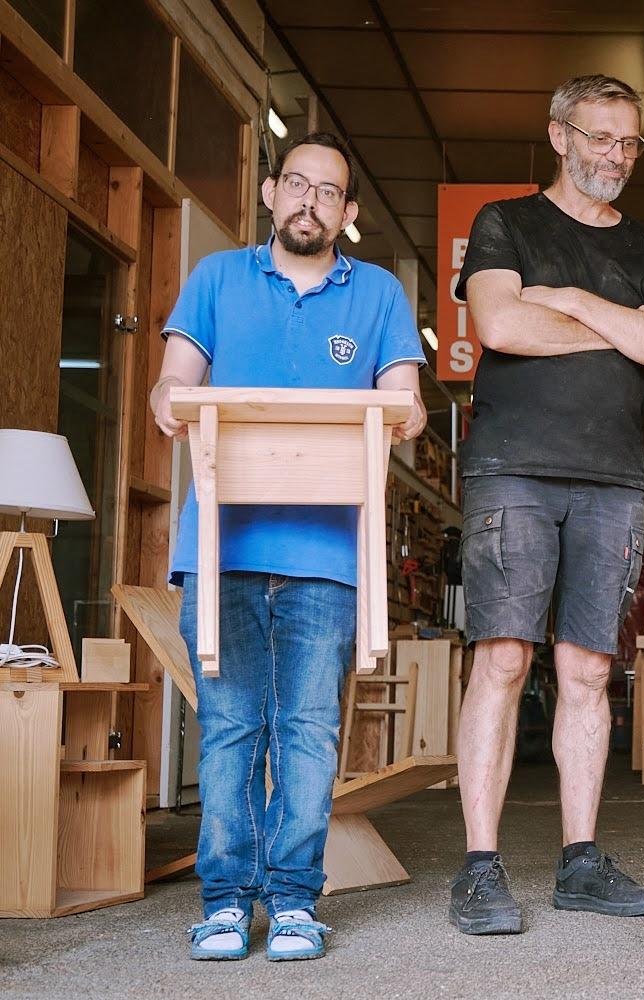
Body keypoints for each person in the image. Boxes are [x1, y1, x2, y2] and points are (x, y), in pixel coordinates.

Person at [150, 131, 427, 961]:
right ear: (272, 194)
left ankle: (296, 900)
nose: (310, 200)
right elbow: (174, 383)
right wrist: (170, 398)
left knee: (308, 730)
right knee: (232, 729)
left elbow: (404, 403)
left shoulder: (376, 295)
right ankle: (228, 900)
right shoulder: (217, 280)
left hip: (329, 557)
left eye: (328, 191)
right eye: (296, 184)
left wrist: (405, 412)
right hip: (224, 549)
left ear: (347, 212)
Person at [447, 74, 644, 935]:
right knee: (505, 659)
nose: (616, 157)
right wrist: (628, 329)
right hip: (512, 468)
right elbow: (502, 327)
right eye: (600, 138)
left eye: (629, 143)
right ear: (559, 135)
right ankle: (480, 869)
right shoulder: (505, 224)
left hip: (613, 480)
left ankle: (579, 862)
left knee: (590, 671)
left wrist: (581, 303)